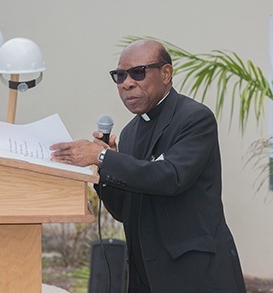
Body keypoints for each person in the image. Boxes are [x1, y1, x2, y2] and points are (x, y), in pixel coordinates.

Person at [50, 40, 246, 293]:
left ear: (166, 73)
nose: (127, 83)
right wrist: (104, 170)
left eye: (137, 73)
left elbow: (171, 177)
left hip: (194, 274)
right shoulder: (130, 133)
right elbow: (124, 210)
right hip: (145, 275)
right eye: (119, 76)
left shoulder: (195, 118)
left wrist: (103, 158)